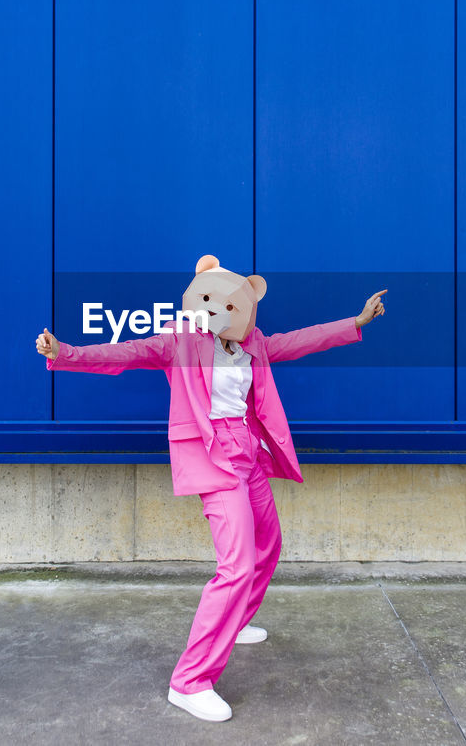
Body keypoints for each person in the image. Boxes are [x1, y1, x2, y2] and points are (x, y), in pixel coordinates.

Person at [36, 254, 385, 722]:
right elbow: (123, 354)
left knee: (268, 545)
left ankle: (234, 622)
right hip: (211, 453)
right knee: (236, 564)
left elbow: (300, 341)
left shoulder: (254, 342)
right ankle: (190, 681)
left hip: (248, 450)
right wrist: (65, 352)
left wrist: (355, 322)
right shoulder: (181, 342)